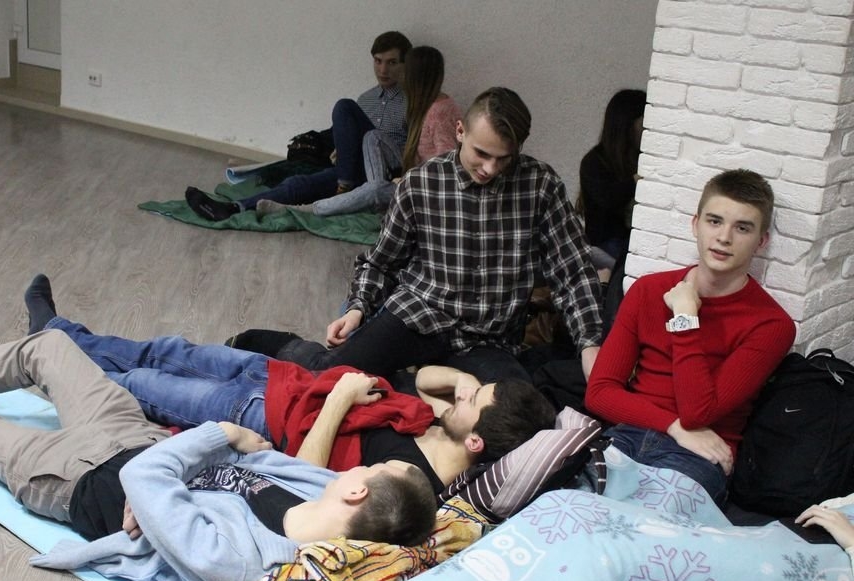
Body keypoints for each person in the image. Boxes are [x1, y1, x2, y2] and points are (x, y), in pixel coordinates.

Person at [0, 318, 438, 581]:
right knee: (49, 347)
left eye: (373, 469)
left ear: (357, 493)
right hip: (136, 435)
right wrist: (183, 468)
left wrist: (220, 435)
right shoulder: (314, 490)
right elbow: (169, 473)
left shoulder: (238, 564)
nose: (361, 465)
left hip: (78, 479)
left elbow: (145, 476)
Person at [22, 275, 556, 498]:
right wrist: (464, 381)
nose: (465, 394)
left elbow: (308, 475)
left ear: (476, 441)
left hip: (261, 414)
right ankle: (55, 332)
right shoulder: (444, 422)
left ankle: (48, 356)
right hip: (282, 379)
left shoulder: (411, 479)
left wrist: (341, 400)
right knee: (165, 350)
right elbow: (425, 378)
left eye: (474, 401)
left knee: (138, 384)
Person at [231, 87, 605, 385]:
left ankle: (409, 383)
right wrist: (359, 307)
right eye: (481, 153)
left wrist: (590, 343)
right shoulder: (421, 183)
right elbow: (382, 262)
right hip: (418, 315)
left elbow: (572, 272)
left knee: (511, 416)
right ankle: (279, 345)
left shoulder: (540, 185)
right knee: (332, 378)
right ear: (460, 131)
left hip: (488, 338)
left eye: (504, 159)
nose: (491, 168)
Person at [585, 169, 796, 505]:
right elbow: (599, 393)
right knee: (566, 509)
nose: (724, 237)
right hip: (629, 434)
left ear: (761, 241)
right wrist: (672, 425)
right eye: (714, 221)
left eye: (742, 228)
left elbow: (698, 413)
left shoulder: (771, 325)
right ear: (696, 224)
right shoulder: (648, 290)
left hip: (699, 454)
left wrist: (685, 317)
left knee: (646, 528)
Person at [185, 31, 412, 221]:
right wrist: (342, 150)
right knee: (297, 184)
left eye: (392, 62)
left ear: (405, 65)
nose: (383, 70)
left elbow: (415, 153)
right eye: (378, 61)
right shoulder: (366, 99)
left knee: (344, 106)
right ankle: (234, 208)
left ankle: (344, 187)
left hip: (385, 173)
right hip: (354, 171)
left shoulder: (412, 102)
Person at [257, 45, 461, 218]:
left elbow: (446, 169)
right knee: (372, 136)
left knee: (374, 190)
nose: (399, 76)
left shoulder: (440, 113)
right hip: (404, 172)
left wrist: (409, 180)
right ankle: (374, 196)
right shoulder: (424, 104)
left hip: (424, 191)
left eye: (403, 72)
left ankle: (303, 209)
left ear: (416, 78)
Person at [579, 89, 647, 270]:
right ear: (627, 125)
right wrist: (634, 182)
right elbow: (608, 200)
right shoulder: (594, 162)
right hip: (606, 246)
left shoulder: (642, 158)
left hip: (632, 243)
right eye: (644, 123)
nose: (648, 130)